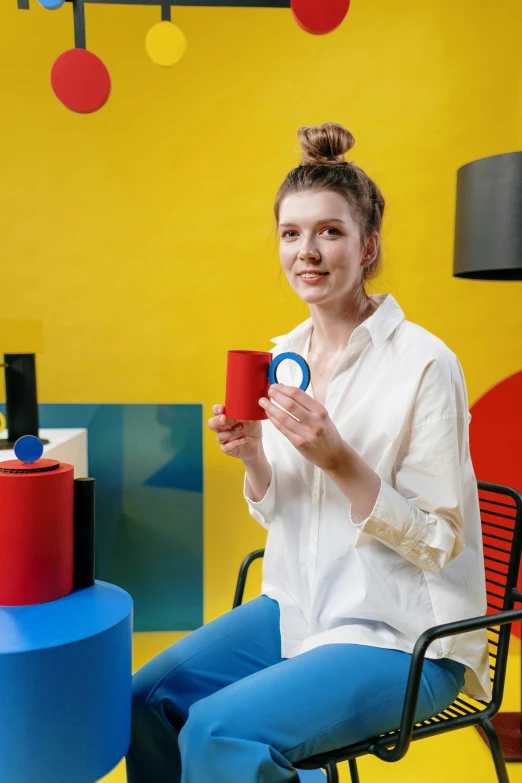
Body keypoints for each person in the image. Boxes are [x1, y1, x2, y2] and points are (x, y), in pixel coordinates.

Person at [126, 122, 490, 783]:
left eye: (330, 231)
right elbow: (283, 519)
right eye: (292, 234)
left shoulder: (425, 364)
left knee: (218, 730)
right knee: (144, 700)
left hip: (404, 637)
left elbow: (440, 540)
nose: (308, 252)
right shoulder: (284, 356)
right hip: (299, 608)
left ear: (368, 245)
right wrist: (256, 458)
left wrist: (340, 459)